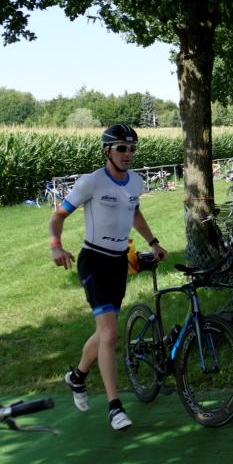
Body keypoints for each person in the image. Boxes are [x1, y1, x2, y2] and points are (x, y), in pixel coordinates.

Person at [52, 124, 168, 431]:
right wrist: (56, 246)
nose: (127, 154)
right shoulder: (91, 182)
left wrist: (153, 242)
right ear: (107, 151)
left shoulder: (136, 182)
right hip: (93, 261)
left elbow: (135, 213)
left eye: (132, 149)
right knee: (110, 334)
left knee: (106, 333)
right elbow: (58, 215)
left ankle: (77, 376)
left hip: (118, 263)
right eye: (121, 148)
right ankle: (114, 407)